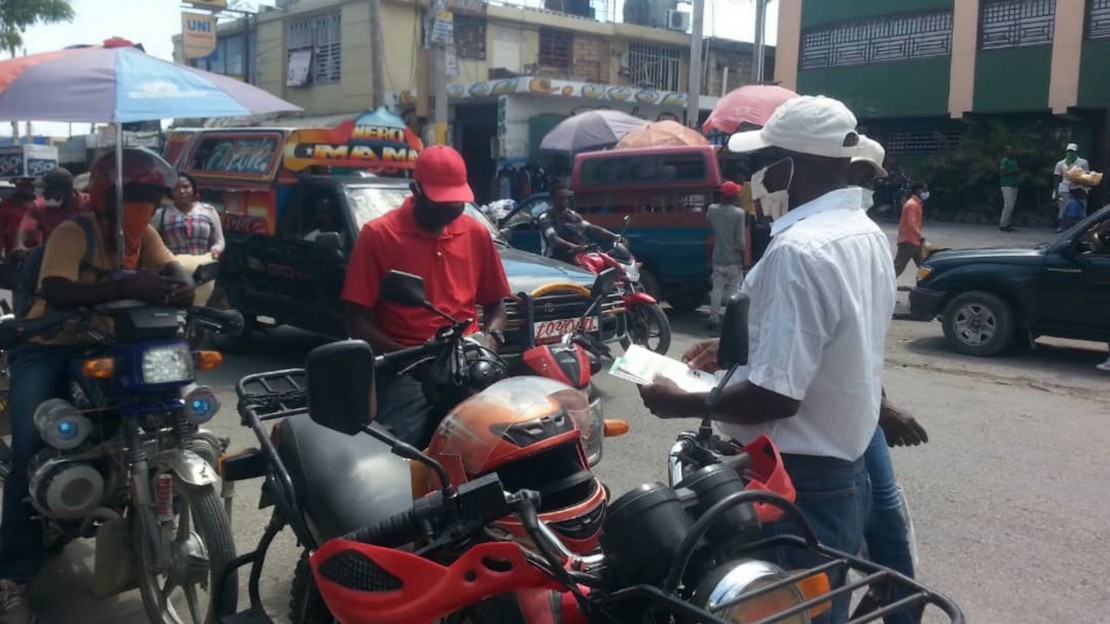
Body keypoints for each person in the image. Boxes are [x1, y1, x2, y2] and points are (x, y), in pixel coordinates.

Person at [637, 95, 898, 622]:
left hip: (795, 479)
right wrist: (743, 345)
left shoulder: (799, 250)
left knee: (783, 611)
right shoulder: (866, 234)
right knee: (820, 607)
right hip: (840, 472)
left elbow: (777, 395)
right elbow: (828, 342)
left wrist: (682, 401)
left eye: (764, 161)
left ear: (791, 164)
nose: (758, 173)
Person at [0, 148, 195, 623]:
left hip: (107, 343)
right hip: (46, 344)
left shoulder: (143, 232)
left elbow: (171, 270)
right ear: (112, 194)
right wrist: (129, 287)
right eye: (140, 195)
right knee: (28, 444)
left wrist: (178, 284)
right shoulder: (74, 230)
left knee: (157, 412)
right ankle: (13, 576)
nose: (146, 205)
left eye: (152, 197)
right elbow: (58, 290)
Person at [341, 145, 511, 448]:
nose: (449, 210)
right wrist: (410, 357)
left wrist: (491, 340)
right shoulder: (378, 235)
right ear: (415, 190)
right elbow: (357, 319)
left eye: (455, 202)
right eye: (440, 202)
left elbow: (496, 303)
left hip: (468, 357)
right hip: (408, 367)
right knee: (396, 456)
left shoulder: (475, 233)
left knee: (506, 440)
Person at [848, 135, 929, 624]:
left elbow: (856, 343)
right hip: (862, 407)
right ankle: (891, 594)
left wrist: (880, 407)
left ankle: (892, 597)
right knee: (885, 519)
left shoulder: (851, 240)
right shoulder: (864, 237)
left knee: (876, 521)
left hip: (850, 413)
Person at [536, 182, 622, 264]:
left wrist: (614, 236)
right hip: (555, 260)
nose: (565, 201)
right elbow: (554, 240)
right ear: (553, 199)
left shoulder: (573, 215)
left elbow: (590, 228)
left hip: (577, 256)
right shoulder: (545, 218)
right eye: (561, 198)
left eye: (567, 198)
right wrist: (573, 246)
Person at [12, 168, 88, 258]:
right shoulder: (40, 206)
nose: (44, 194)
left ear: (61, 191)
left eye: (48, 190)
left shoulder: (89, 203)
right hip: (53, 259)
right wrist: (19, 245)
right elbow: (25, 228)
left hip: (86, 257)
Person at [153, 172, 225, 258]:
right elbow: (152, 242)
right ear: (170, 191)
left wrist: (216, 249)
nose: (182, 191)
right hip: (173, 267)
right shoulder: (161, 214)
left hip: (203, 264)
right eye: (176, 188)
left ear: (193, 188)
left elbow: (219, 240)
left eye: (186, 187)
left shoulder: (208, 210)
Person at [706, 181, 746, 330]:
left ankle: (713, 319)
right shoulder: (739, 213)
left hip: (718, 257)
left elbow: (709, 226)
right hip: (734, 258)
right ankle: (731, 321)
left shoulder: (712, 210)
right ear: (734, 196)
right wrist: (743, 260)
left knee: (717, 289)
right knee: (733, 290)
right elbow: (740, 241)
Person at [894, 182, 928, 278]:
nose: (926, 193)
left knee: (924, 267)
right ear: (918, 191)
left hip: (914, 241)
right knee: (898, 267)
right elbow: (911, 224)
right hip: (908, 242)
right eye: (925, 190)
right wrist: (920, 237)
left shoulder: (916, 204)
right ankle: (883, 284)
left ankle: (928, 286)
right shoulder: (912, 205)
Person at [1054, 143, 1089, 232]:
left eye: (1072, 151)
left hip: (1079, 189)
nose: (1070, 153)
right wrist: (1056, 192)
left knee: (1080, 207)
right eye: (1069, 151)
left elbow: (1086, 176)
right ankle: (1062, 227)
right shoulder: (1061, 163)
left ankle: (1081, 227)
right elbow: (1057, 178)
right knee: (1064, 209)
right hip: (1064, 189)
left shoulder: (1083, 162)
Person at [999, 145, 1020, 232]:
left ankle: (1008, 223)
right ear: (1005, 152)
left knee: (1012, 206)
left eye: (1012, 150)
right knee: (1008, 205)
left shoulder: (1014, 161)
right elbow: (1001, 172)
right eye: (1009, 150)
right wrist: (1013, 172)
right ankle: (1003, 224)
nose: (1011, 152)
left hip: (1014, 184)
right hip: (1006, 185)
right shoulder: (1004, 161)